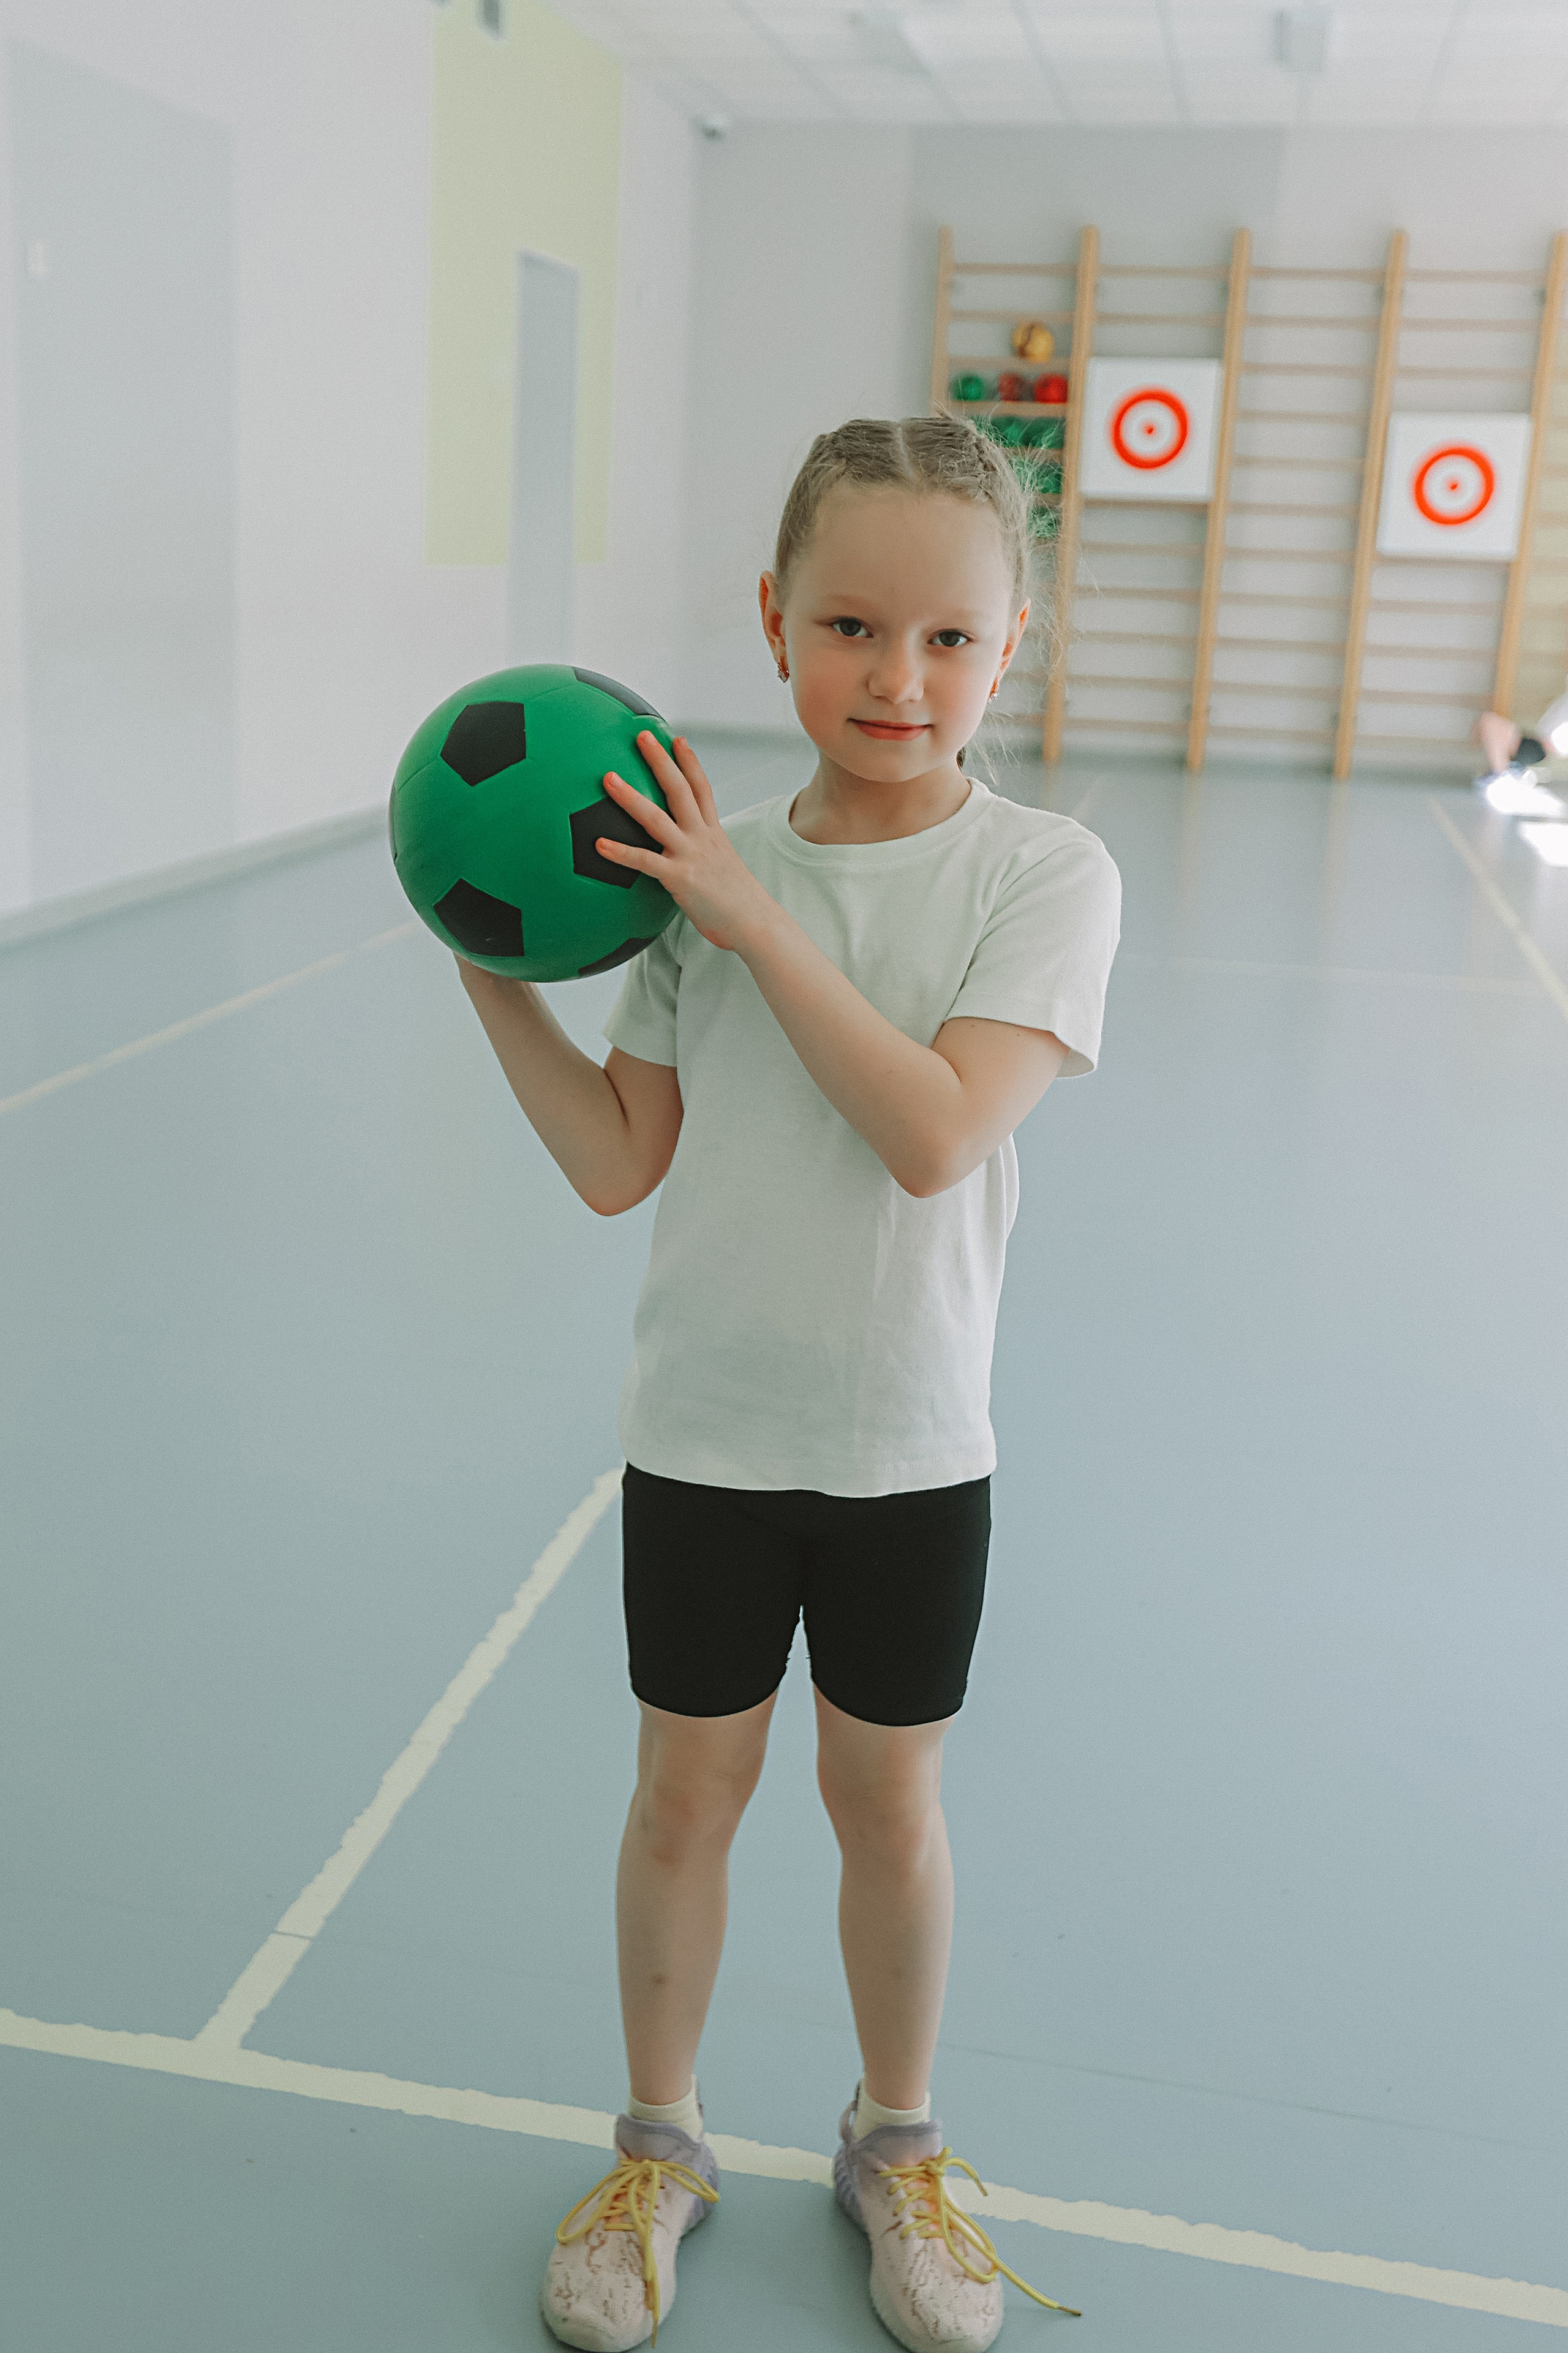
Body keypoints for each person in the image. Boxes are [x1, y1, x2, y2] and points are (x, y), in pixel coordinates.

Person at [456, 414, 1121, 2352]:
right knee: (685, 1794)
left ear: (1012, 651)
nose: (894, 679)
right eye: (849, 625)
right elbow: (614, 1158)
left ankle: (893, 2144)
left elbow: (935, 1133)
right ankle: (658, 2145)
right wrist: (489, 952)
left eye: (946, 639)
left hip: (911, 1446)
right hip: (709, 1437)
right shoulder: (696, 876)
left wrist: (752, 919)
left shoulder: (1042, 875)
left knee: (884, 1804)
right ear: (771, 623)